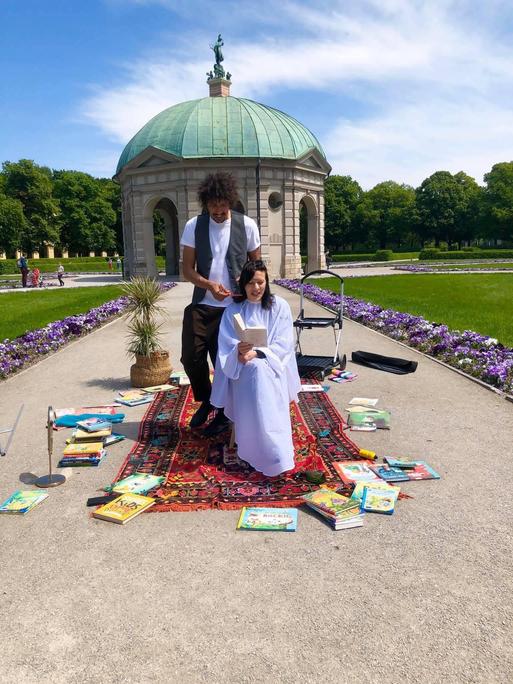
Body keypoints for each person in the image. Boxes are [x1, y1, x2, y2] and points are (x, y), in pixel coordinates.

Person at [180, 172, 261, 432]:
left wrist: (245, 276)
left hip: (235, 307)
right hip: (202, 304)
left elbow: (257, 267)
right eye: (212, 206)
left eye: (221, 205)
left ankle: (225, 412)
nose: (216, 211)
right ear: (206, 203)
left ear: (230, 201)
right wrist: (209, 285)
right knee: (191, 357)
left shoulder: (247, 225)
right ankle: (207, 400)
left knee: (225, 362)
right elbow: (187, 270)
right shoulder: (194, 225)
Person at [210, 260, 301, 476]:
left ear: (267, 282)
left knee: (259, 371)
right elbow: (226, 343)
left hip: (272, 366)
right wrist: (239, 352)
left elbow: (284, 343)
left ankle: (274, 446)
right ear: (243, 285)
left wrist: (259, 353)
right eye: (251, 283)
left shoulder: (279, 306)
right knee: (253, 371)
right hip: (243, 367)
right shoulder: (233, 310)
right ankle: (253, 443)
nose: (256, 288)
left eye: (260, 282)